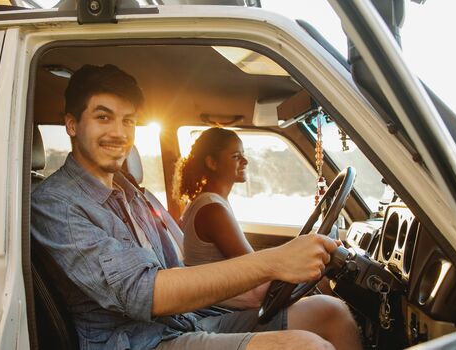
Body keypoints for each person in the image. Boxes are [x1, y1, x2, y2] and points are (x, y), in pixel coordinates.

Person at [31, 64, 361, 350]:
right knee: (307, 346)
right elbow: (146, 292)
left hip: (182, 322)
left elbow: (175, 273)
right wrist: (274, 261)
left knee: (329, 311)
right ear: (72, 125)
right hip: (139, 342)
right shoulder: (55, 204)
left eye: (128, 121)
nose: (119, 133)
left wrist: (250, 292)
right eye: (103, 117)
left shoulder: (130, 192)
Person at [174, 128, 268, 309]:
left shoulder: (212, 202)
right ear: (212, 162)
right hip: (217, 309)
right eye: (235, 156)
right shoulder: (212, 210)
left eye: (243, 155)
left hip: (222, 301)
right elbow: (254, 268)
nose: (245, 161)